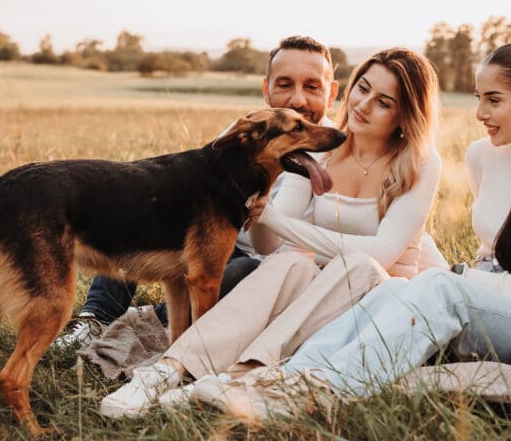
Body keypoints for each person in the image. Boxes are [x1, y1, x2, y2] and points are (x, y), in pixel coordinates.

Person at [199, 41, 511, 412]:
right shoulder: (482, 155)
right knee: (393, 288)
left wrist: (460, 279)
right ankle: (278, 378)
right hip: (485, 293)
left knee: (440, 287)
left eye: (494, 100)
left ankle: (322, 391)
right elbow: (487, 252)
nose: (480, 114)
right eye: (480, 99)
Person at [99, 48, 443, 417]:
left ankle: (242, 377)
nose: (363, 104)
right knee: (289, 261)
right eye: (362, 89)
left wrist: (278, 221)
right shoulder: (320, 150)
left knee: (359, 264)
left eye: (384, 102)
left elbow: (383, 253)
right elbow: (269, 244)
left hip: (381, 301)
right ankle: (167, 370)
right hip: (314, 297)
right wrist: (263, 206)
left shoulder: (419, 160)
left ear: (405, 114)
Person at [54, 35, 341, 348]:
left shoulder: (338, 150)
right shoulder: (245, 132)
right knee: (137, 215)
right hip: (210, 238)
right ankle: (96, 316)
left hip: (268, 265)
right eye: (284, 84)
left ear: (332, 92)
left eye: (312, 86)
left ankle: (147, 319)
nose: (297, 99)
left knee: (245, 273)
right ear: (266, 88)